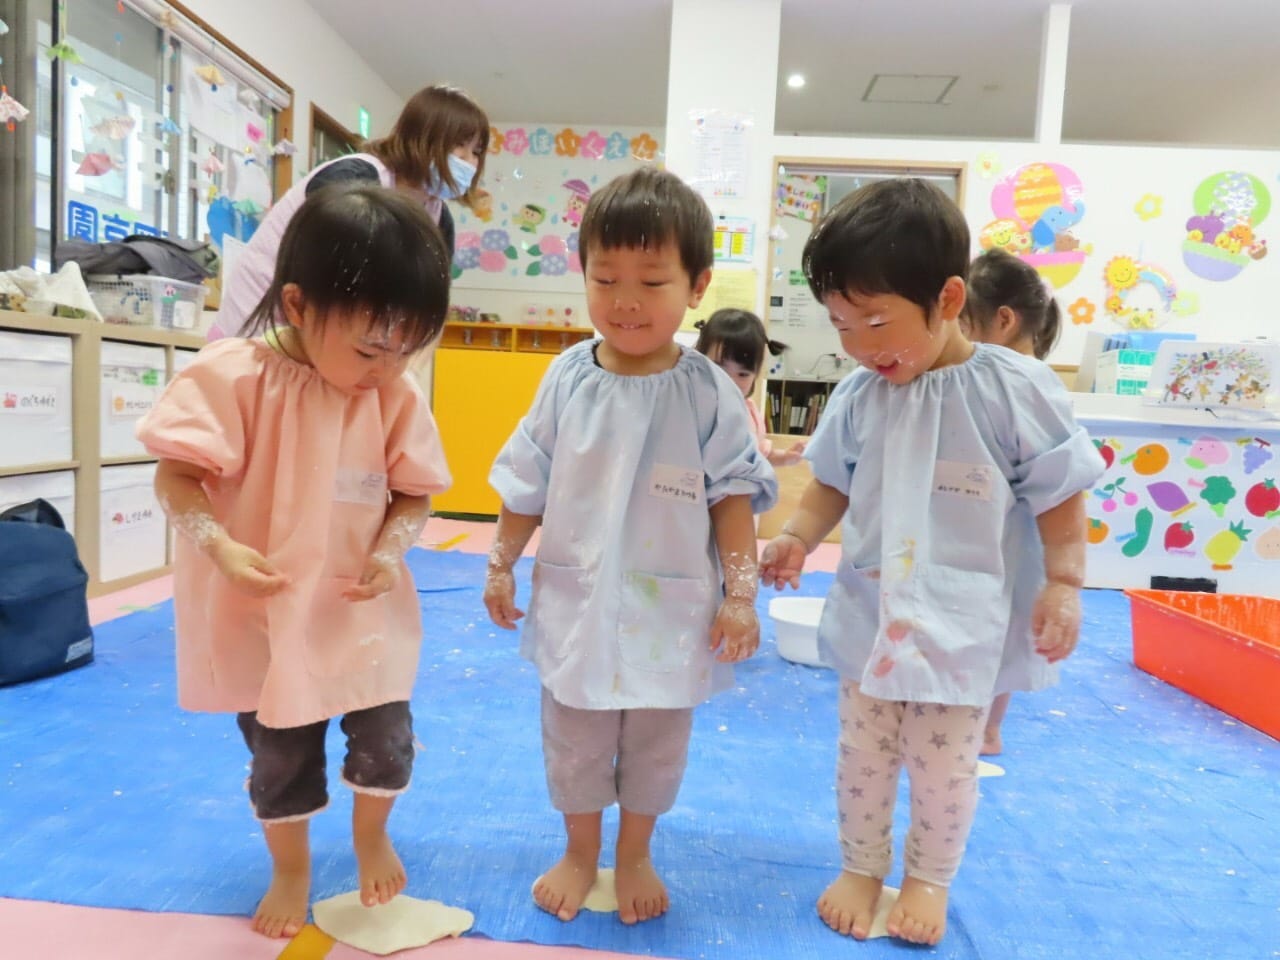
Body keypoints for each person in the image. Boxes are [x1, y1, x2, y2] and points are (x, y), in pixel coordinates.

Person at [758, 179, 1103, 946]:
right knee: (863, 758)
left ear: (950, 299)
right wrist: (795, 537)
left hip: (960, 630)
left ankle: (927, 879)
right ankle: (860, 864)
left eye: (877, 322)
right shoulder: (860, 395)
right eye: (842, 325)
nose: (860, 345)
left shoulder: (1014, 390)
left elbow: (1061, 494)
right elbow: (830, 486)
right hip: (869, 621)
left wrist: (1066, 583)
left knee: (945, 772)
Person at [138, 185, 453, 939]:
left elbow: (415, 496)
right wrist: (220, 546)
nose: (387, 368)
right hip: (267, 611)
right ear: (299, 307)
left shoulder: (391, 394)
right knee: (280, 754)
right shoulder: (231, 378)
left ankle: (372, 835)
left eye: (407, 349)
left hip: (359, 604)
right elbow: (175, 478)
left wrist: (390, 550)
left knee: (387, 738)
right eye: (371, 348)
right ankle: (290, 867)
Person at [483, 167, 777, 926]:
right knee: (574, 736)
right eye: (605, 278)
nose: (625, 301)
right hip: (576, 598)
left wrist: (741, 595)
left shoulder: (709, 390)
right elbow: (527, 481)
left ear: (696, 285)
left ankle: (635, 851)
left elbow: (733, 499)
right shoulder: (566, 377)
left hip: (672, 605)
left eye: (651, 281)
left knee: (654, 741)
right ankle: (580, 852)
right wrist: (501, 562)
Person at [209, 83, 488, 340]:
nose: (468, 161)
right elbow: (334, 274)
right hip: (262, 316)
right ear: (421, 137)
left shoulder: (438, 221)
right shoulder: (356, 178)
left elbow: (425, 303)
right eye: (458, 146)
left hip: (326, 337)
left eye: (476, 151)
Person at [963, 247, 1064, 755]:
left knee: (1001, 627)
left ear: (1002, 320)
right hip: (1007, 529)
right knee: (1004, 626)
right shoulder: (1023, 376)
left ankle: (984, 725)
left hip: (1014, 531)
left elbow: (1059, 477)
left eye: (964, 323)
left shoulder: (1020, 378)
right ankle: (988, 725)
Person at [694, 308, 807, 467]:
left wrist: (784, 457)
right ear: (698, 360)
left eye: (743, 374)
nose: (729, 382)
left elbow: (756, 455)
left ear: (756, 374)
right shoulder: (691, 410)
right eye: (719, 369)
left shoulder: (749, 412)